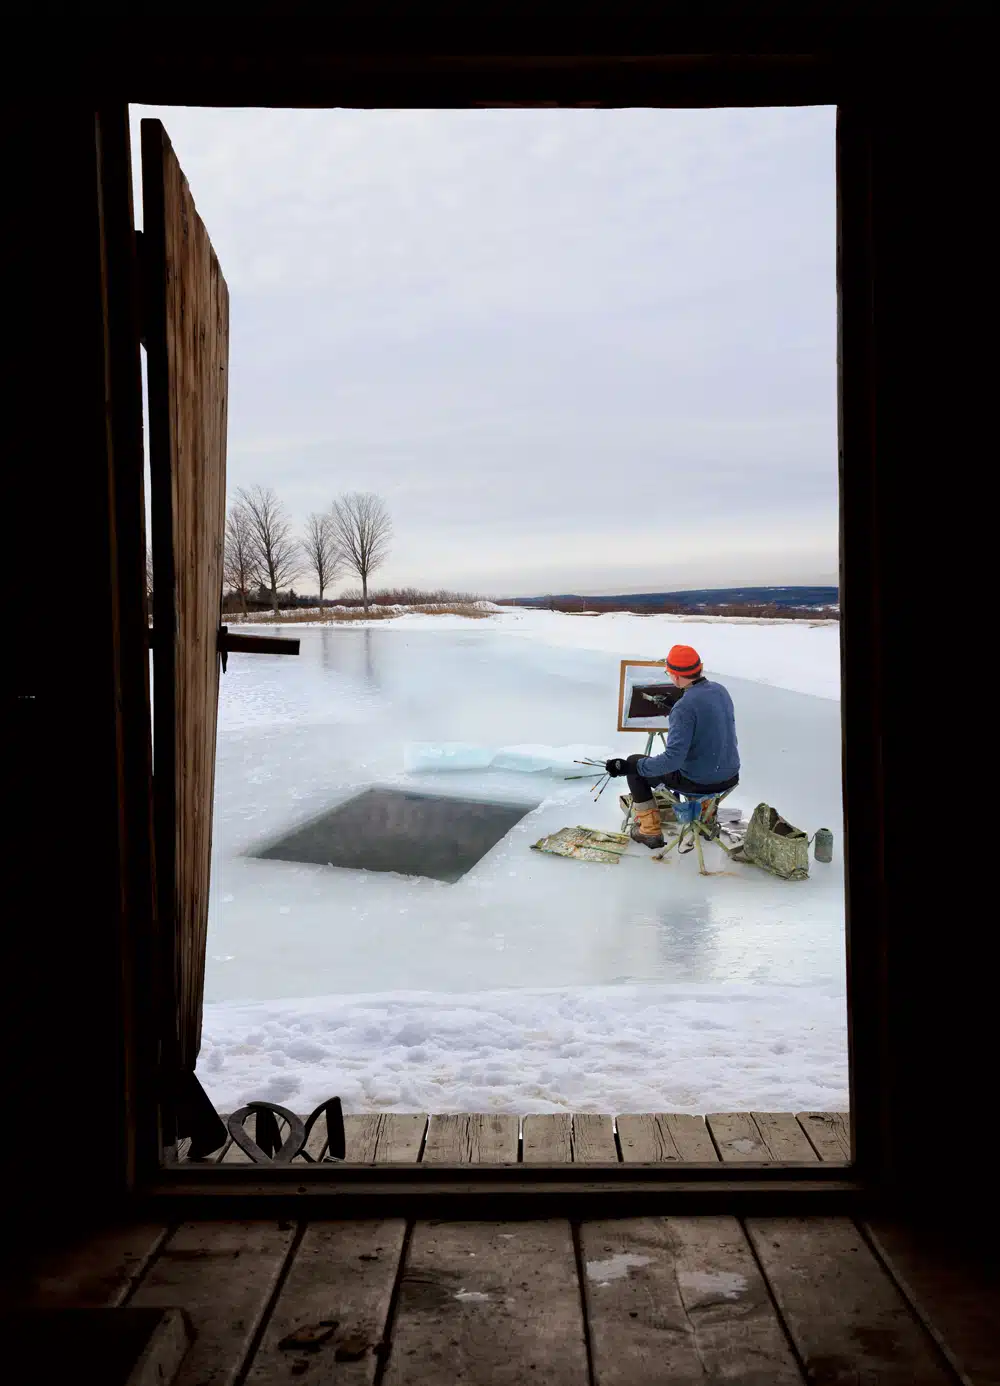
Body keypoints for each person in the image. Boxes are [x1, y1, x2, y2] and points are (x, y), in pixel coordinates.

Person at [605, 644, 740, 848]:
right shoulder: (720, 691)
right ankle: (707, 815)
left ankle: (649, 832)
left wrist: (630, 767)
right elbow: (706, 722)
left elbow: (672, 760)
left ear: (675, 676)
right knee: (692, 761)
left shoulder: (684, 707)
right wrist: (675, 706)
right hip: (729, 775)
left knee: (636, 764)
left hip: (699, 781)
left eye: (668, 673)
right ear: (699, 668)